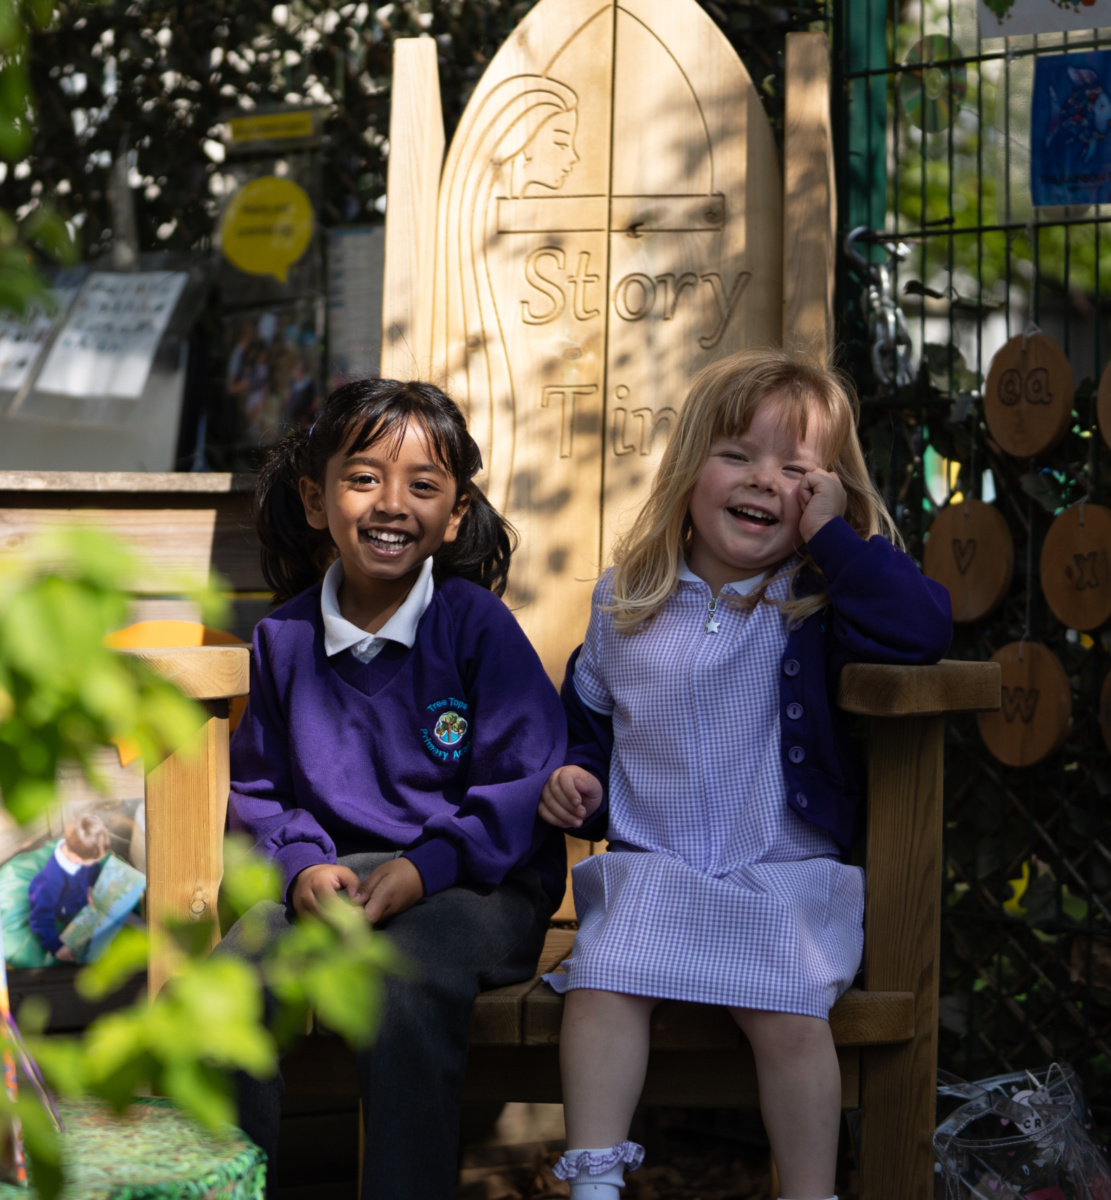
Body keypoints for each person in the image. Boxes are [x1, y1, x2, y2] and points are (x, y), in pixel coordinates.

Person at [537, 349, 953, 1200]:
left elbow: (923, 630)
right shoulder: (628, 602)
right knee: (601, 982)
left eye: (798, 470)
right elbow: (588, 720)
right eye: (738, 455)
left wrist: (836, 541)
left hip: (779, 875)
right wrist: (577, 777)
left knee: (790, 1014)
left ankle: (806, 1193)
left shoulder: (816, 603)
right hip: (656, 867)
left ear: (828, 493)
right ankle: (592, 1183)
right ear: (692, 468)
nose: (766, 481)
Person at [221, 378, 567, 1200]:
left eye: (422, 484)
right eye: (364, 476)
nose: (391, 503)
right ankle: (220, 1189)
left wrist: (426, 868)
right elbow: (259, 791)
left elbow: (525, 779)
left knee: (402, 983)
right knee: (230, 988)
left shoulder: (476, 627)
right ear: (316, 498)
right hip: (332, 886)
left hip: (475, 886)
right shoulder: (283, 641)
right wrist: (302, 867)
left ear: (453, 516)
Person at [28, 813, 111, 963]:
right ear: (76, 858)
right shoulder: (51, 879)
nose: (93, 863)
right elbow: (40, 917)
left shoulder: (82, 853)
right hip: (68, 910)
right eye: (91, 861)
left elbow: (92, 869)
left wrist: (91, 886)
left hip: (84, 900)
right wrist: (56, 946)